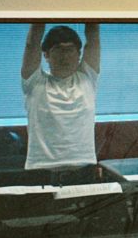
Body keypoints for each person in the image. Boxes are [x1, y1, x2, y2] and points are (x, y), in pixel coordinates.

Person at [21, 21, 101, 168]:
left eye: (70, 50)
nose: (65, 56)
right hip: (41, 168)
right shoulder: (35, 82)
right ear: (46, 55)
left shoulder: (87, 78)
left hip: (84, 168)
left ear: (78, 54)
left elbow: (93, 38)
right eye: (58, 49)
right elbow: (32, 44)